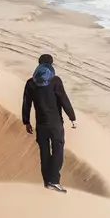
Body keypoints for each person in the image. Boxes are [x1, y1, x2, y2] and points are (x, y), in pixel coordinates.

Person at [20, 53, 78, 191]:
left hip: (41, 125)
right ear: (51, 65)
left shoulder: (30, 83)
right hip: (56, 124)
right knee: (58, 150)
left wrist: (26, 121)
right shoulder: (55, 81)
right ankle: (54, 181)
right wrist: (72, 117)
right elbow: (63, 99)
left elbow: (26, 103)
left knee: (44, 153)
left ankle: (47, 182)